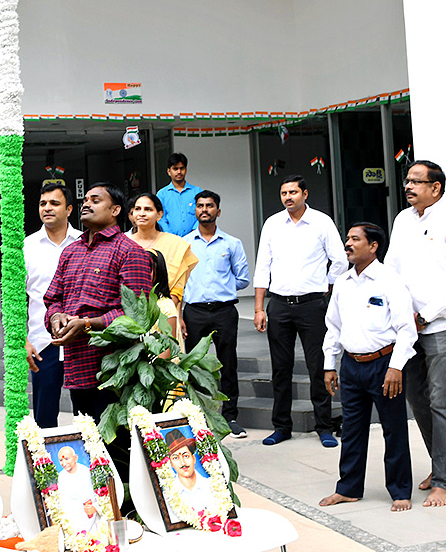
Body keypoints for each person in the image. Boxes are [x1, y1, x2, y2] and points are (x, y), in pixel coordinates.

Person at [385, 160, 446, 507]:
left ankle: (440, 481)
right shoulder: (403, 220)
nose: (408, 186)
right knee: (416, 399)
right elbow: (391, 268)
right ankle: (445, 463)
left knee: (441, 401)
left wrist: (427, 315)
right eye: (407, 181)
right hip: (409, 327)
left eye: (416, 182)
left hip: (442, 326)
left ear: (435, 188)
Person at [319, 223, 416, 512]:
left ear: (373, 246)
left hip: (384, 365)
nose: (348, 244)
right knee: (351, 429)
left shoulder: (389, 280)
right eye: (347, 239)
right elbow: (333, 327)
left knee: (393, 429)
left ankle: (400, 491)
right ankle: (348, 488)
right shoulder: (343, 282)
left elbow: (407, 330)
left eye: (354, 239)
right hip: (351, 366)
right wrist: (329, 365)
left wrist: (396, 367)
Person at [44, 182, 153, 420]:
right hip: (76, 367)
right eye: (85, 200)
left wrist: (87, 324)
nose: (86, 204)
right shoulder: (71, 252)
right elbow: (53, 298)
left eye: (95, 200)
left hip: (113, 372)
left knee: (115, 450)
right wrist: (55, 317)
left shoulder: (129, 251)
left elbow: (137, 316)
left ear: (115, 210)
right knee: (87, 442)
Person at [253, 175, 346, 447]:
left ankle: (324, 426)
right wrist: (259, 308)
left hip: (312, 305)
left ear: (305, 193)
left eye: (293, 192)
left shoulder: (321, 222)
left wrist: (326, 287)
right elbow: (262, 266)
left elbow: (339, 260)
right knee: (281, 369)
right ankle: (281, 426)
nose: (288, 197)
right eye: (283, 193)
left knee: (319, 366)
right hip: (279, 305)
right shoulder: (272, 224)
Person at [183, 190, 251, 437]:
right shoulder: (185, 243)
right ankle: (196, 417)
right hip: (194, 312)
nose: (204, 210)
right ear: (196, 210)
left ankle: (230, 417)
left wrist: (223, 287)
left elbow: (243, 279)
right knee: (193, 366)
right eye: (200, 206)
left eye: (209, 206)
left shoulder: (232, 244)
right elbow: (179, 280)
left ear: (218, 211)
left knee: (228, 364)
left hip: (224, 311)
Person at [24, 182, 81, 427]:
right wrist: (22, 341)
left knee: (86, 415)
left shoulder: (85, 242)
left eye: (54, 203)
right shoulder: (26, 247)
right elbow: (15, 297)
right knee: (44, 417)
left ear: (69, 209)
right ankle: (45, 464)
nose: (47, 208)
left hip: (82, 340)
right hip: (41, 342)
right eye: (43, 204)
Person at [127, 192, 197, 342]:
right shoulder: (123, 243)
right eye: (137, 209)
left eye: (148, 209)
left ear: (159, 215)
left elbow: (178, 287)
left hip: (165, 319)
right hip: (128, 318)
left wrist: (159, 313)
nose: (142, 213)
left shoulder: (176, 244)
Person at [164, 429, 215, 513]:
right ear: (171, 464)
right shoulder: (168, 494)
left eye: (186, 456)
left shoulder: (211, 485)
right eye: (176, 458)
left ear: (193, 458)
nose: (183, 463)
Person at [55, 445, 101, 535]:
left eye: (67, 459)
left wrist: (95, 507)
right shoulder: (60, 478)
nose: (64, 463)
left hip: (92, 520)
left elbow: (101, 496)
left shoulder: (87, 473)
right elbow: (61, 503)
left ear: (75, 458)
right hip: (72, 523)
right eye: (61, 460)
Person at [156, 154, 201, 237]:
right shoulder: (161, 194)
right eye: (175, 169)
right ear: (169, 171)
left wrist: (194, 232)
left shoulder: (197, 192)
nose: (179, 172)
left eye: (182, 168)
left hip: (195, 238)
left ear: (186, 170)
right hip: (170, 240)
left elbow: (202, 213)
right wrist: (171, 236)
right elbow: (160, 218)